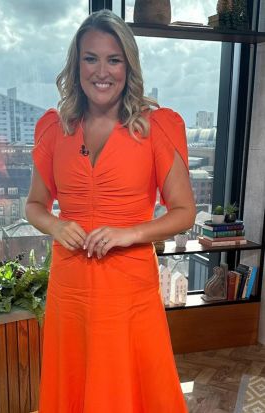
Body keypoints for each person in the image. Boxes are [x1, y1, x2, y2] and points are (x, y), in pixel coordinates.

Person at [25, 10, 195, 413]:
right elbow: (33, 205)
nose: (102, 71)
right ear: (76, 64)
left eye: (113, 59)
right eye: (91, 58)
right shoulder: (54, 128)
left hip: (128, 293)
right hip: (70, 291)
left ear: (128, 66)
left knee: (128, 394)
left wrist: (129, 233)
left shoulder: (158, 127)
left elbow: (185, 211)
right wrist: (56, 224)